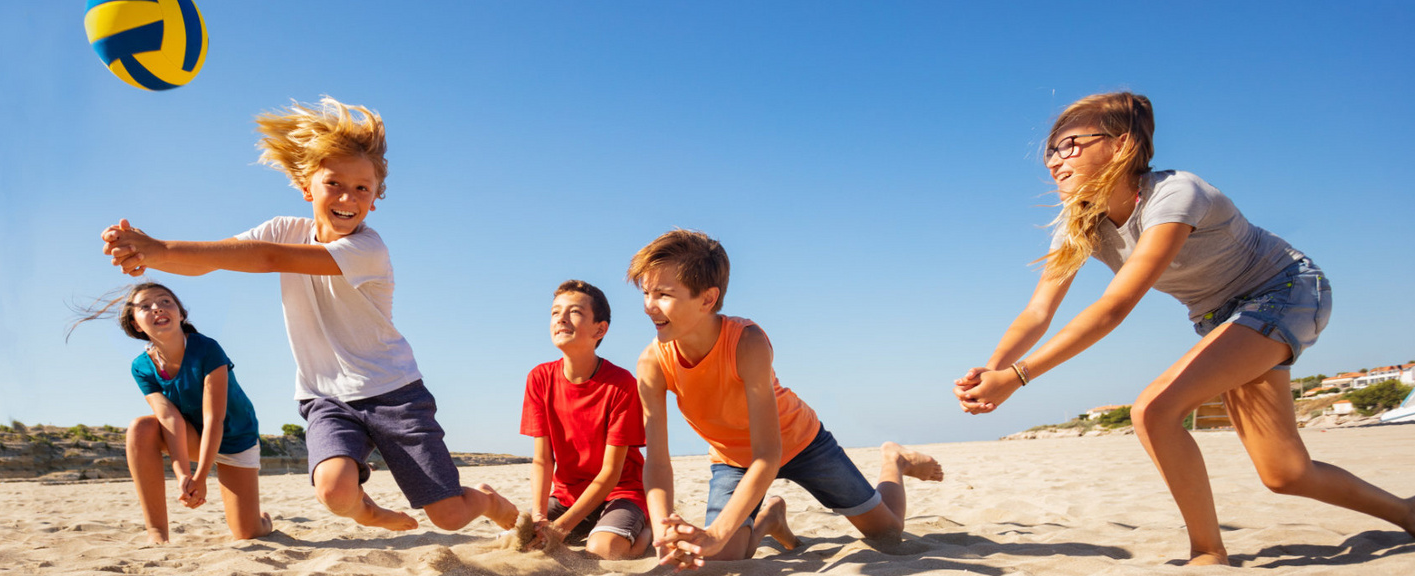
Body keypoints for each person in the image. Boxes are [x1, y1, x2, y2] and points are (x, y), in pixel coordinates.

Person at [952, 91, 1415, 566]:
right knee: (1286, 474)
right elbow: (1037, 313)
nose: (1056, 161)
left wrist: (1019, 377)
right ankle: (1411, 513)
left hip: (1285, 291)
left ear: (1121, 145)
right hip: (1223, 319)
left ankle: (1207, 552)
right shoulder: (1080, 224)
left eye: (1071, 145)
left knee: (1155, 410)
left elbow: (1115, 306)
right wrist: (991, 371)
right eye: (1051, 151)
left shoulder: (1176, 194)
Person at [100, 97, 518, 535]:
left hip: (394, 392)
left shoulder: (367, 249)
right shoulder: (284, 227)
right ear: (307, 187)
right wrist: (148, 255)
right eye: (334, 183)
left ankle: (488, 500)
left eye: (362, 189)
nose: (347, 198)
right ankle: (370, 512)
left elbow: (265, 258)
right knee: (334, 491)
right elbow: (216, 259)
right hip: (326, 396)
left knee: (449, 517)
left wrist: (160, 250)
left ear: (376, 198)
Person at [630, 230, 944, 570]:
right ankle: (771, 520)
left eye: (663, 294)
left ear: (707, 299)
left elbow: (768, 454)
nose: (649, 306)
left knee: (888, 533)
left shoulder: (747, 342)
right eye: (646, 292)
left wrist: (717, 532)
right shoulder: (652, 362)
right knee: (721, 557)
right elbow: (658, 462)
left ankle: (894, 459)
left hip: (800, 441)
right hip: (733, 460)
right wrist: (663, 531)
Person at [70, 282, 272, 544]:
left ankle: (263, 519)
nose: (157, 308)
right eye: (146, 306)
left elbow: (214, 419)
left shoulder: (207, 349)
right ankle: (157, 534)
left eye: (166, 301)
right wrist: (183, 475)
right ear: (136, 324)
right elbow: (170, 419)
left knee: (248, 533)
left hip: (234, 438)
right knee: (140, 428)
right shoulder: (141, 366)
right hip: (192, 438)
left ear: (181, 314)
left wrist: (200, 477)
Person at [519, 280, 653, 559]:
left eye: (575, 312)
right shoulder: (539, 379)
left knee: (604, 550)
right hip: (568, 496)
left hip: (621, 493)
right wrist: (541, 515)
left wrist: (562, 527)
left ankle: (648, 529)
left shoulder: (621, 384)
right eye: (555, 312)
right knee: (522, 540)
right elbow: (543, 460)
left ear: (600, 329)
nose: (561, 319)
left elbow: (610, 474)